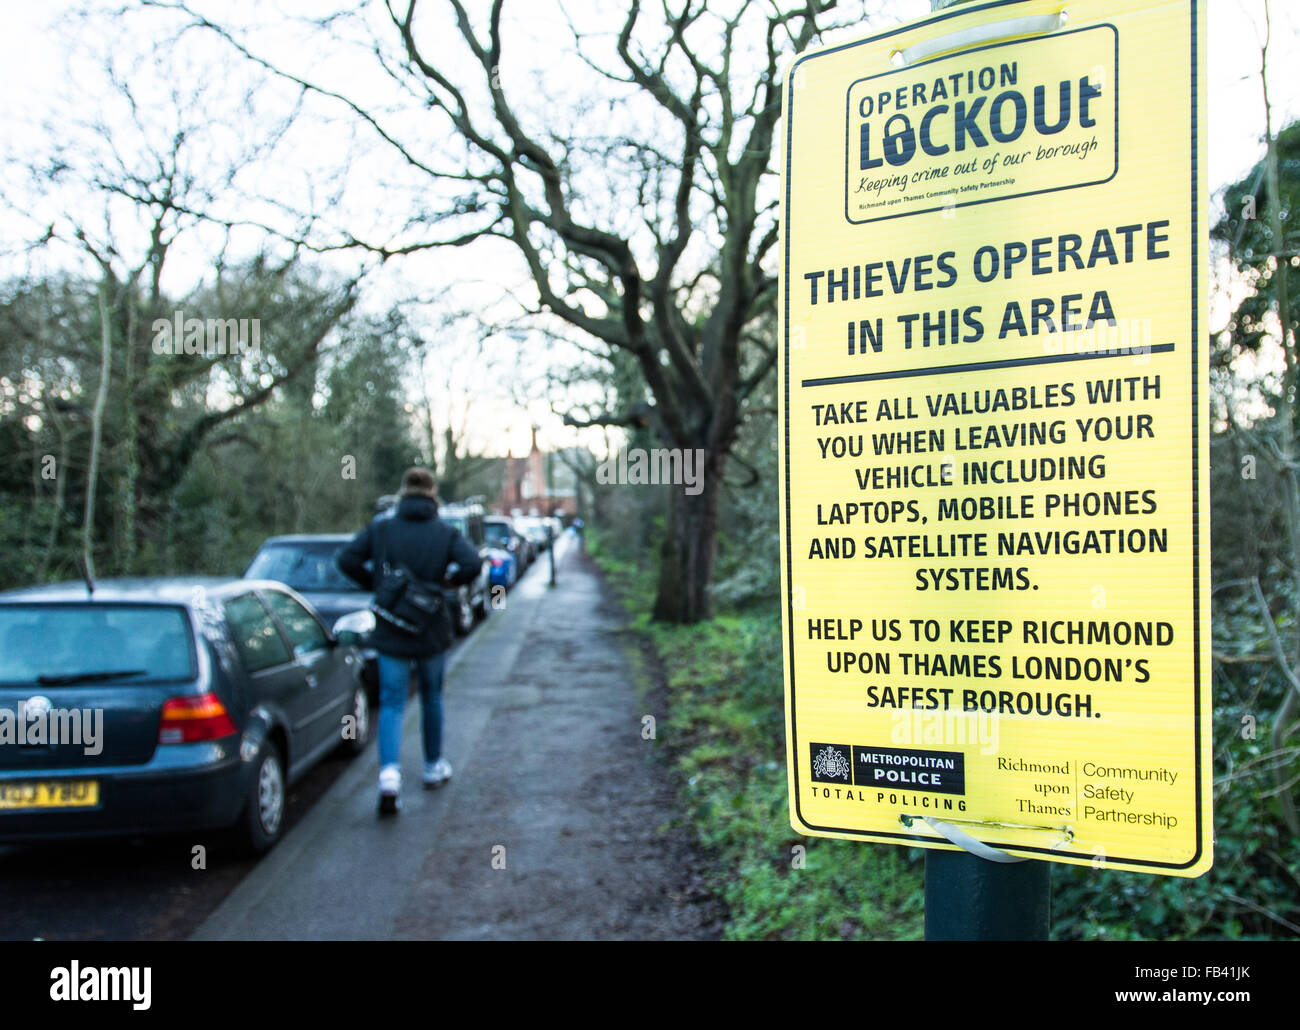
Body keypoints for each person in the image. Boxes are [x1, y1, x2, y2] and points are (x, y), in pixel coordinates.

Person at [336, 467, 481, 815]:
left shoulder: (383, 529)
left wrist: (379, 586)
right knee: (431, 697)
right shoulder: (444, 532)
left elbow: (346, 560)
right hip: (431, 628)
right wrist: (447, 583)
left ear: (403, 492)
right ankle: (433, 767)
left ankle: (389, 777)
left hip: (392, 628)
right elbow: (473, 563)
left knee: (391, 702)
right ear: (432, 493)